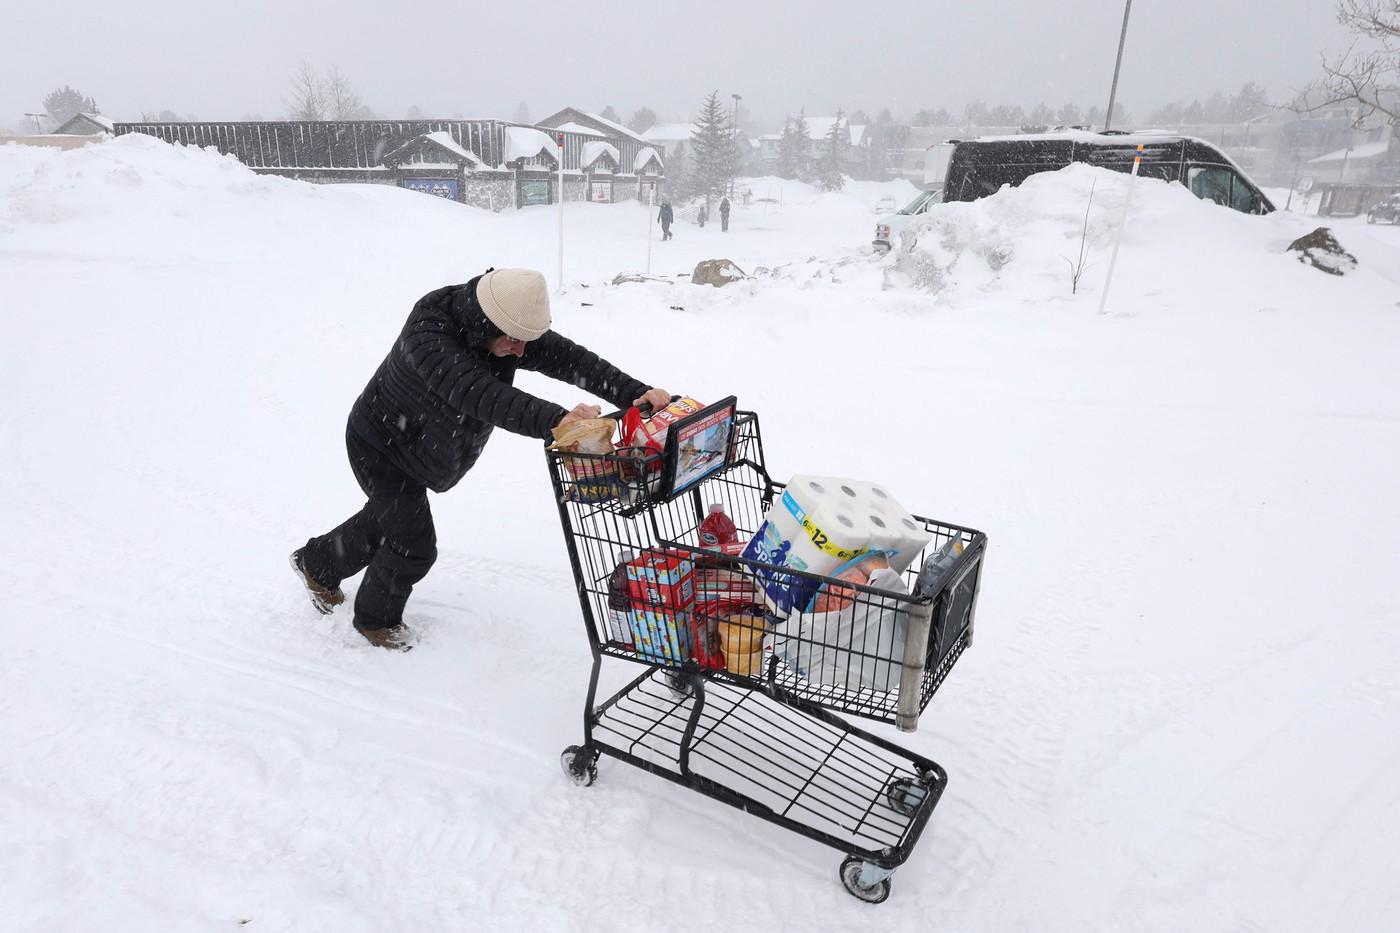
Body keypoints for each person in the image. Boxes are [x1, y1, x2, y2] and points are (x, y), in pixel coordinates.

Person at [290, 268, 672, 650]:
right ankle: (375, 621)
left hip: (420, 444)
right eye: (515, 341)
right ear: (487, 322)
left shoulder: (502, 324)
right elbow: (479, 393)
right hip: (380, 444)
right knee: (413, 543)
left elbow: (568, 358)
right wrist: (558, 420)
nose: (522, 351)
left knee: (391, 516)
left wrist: (633, 392)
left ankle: (318, 564)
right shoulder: (429, 333)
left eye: (527, 342)